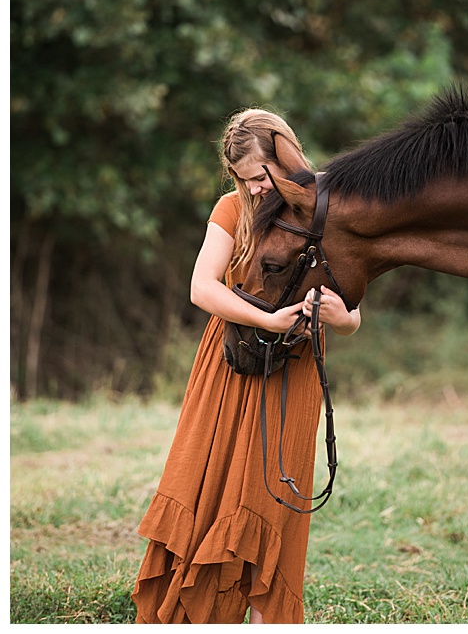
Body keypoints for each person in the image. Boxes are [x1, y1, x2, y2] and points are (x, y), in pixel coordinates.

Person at [132, 109, 360, 624]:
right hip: (231, 363)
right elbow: (202, 287)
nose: (254, 188)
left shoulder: (322, 206)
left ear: (285, 158)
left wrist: (338, 315)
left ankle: (264, 619)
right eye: (243, 178)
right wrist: (268, 319)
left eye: (259, 175)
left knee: (273, 494)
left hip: (293, 371)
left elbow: (353, 319)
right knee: (208, 481)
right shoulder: (232, 208)